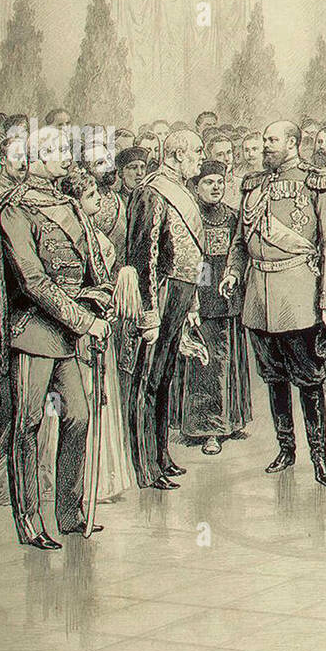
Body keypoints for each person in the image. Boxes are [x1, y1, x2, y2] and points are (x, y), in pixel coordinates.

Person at [0, 126, 111, 549]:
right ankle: (30, 522)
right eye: (52, 150)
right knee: (28, 424)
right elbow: (33, 280)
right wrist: (83, 320)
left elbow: (91, 266)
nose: (63, 156)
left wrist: (101, 298)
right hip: (31, 331)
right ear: (32, 158)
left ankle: (70, 514)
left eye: (64, 149)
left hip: (66, 332)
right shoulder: (14, 208)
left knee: (79, 417)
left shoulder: (70, 203)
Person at [220, 120, 326, 487]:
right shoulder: (254, 184)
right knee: (273, 378)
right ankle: (286, 449)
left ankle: (319, 457)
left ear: (292, 143)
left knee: (308, 380)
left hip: (298, 296)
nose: (265, 145)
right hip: (258, 297)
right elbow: (241, 239)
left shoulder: (316, 181)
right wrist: (232, 271)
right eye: (263, 140)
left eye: (271, 140)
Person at [124, 130, 207, 492]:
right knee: (146, 380)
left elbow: (195, 253)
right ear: (176, 154)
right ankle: (144, 465)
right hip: (160, 294)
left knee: (164, 378)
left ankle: (161, 456)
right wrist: (147, 312)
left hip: (181, 293)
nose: (201, 157)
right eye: (196, 151)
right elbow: (143, 258)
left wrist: (192, 304)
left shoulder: (180, 189)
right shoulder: (151, 191)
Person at [56, 166, 139, 500]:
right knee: (84, 402)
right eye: (90, 196)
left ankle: (101, 480)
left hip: (99, 325)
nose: (98, 201)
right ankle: (81, 485)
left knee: (100, 398)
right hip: (81, 327)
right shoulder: (74, 235)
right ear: (76, 201)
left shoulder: (94, 232)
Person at [174, 161, 252, 456]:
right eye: (208, 182)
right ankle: (208, 429)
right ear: (196, 187)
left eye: (219, 181)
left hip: (228, 296)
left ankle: (231, 420)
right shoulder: (191, 217)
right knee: (207, 364)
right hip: (202, 296)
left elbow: (239, 250)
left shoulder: (233, 216)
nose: (216, 187)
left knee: (228, 359)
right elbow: (195, 261)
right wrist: (201, 293)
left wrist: (231, 275)